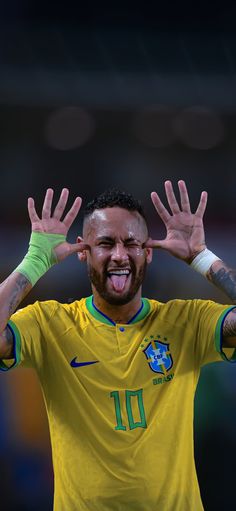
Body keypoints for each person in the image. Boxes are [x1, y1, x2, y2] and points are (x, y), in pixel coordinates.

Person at [0, 180, 236, 511]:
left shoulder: (187, 322)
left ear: (148, 252)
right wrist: (32, 264)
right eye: (106, 244)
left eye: (131, 244)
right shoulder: (49, 325)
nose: (120, 255)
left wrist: (202, 257)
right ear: (83, 252)